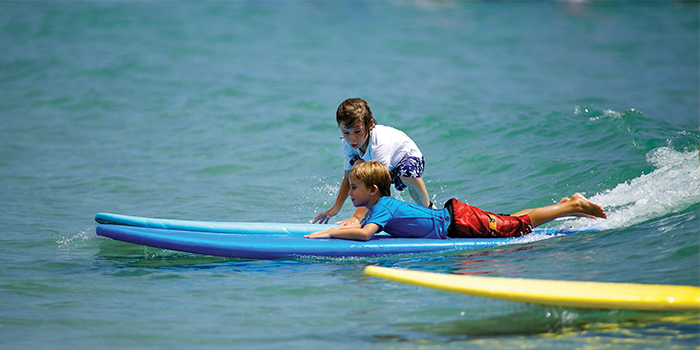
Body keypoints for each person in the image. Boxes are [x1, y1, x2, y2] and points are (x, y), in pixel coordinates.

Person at [305, 161, 607, 241]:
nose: (351, 194)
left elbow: (365, 234)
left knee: (517, 226)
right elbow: (362, 225)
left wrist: (330, 232)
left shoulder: (381, 207)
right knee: (508, 220)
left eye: (354, 188)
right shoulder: (379, 204)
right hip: (456, 218)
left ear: (372, 190)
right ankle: (564, 205)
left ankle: (573, 206)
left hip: (459, 224)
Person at [313, 98, 434, 226]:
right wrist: (336, 207)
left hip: (408, 159)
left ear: (370, 125)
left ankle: (429, 211)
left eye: (357, 131)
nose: (352, 138)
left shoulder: (379, 145)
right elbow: (348, 177)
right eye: (346, 132)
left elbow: (375, 184)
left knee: (406, 175)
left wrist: (356, 217)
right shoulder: (347, 144)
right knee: (357, 168)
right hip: (384, 167)